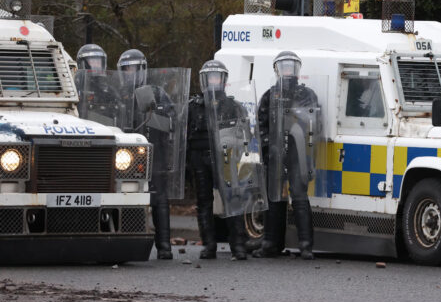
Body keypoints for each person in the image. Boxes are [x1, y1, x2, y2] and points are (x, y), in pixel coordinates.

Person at [253, 51, 319, 260]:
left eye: (291, 67)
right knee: (274, 197)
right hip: (274, 152)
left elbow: (313, 124)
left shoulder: (307, 95)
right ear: (277, 70)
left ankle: (306, 245)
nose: (288, 70)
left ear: (297, 69)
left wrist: (309, 154)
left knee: (299, 196)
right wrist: (267, 146)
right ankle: (271, 243)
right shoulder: (270, 95)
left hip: (297, 151)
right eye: (284, 67)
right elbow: (260, 124)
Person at [187, 59, 249, 260]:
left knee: (232, 198)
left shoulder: (233, 106)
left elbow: (244, 135)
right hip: (199, 158)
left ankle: (238, 245)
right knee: (204, 201)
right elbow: (183, 136)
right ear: (203, 80)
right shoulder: (193, 107)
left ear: (223, 80)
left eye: (217, 77)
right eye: (210, 77)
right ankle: (209, 245)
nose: (213, 81)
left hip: (225, 157)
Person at [117, 49, 174, 260]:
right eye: (126, 69)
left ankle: (164, 246)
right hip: (126, 153)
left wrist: (153, 111)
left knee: (159, 198)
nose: (130, 72)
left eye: (134, 68)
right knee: (128, 195)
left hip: (154, 151)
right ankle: (130, 244)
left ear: (142, 69)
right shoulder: (118, 93)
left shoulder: (157, 92)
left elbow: (171, 121)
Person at [75, 44, 121, 124]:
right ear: (82, 63)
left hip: (104, 130)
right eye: (92, 61)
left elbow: (118, 114)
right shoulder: (74, 87)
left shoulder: (109, 91)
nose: (96, 65)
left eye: (98, 61)